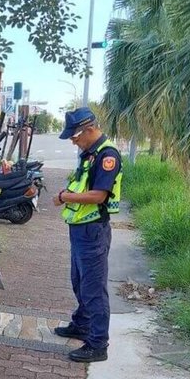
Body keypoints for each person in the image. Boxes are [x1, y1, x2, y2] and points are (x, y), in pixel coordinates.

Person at [52, 107, 122, 363]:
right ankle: (81, 323)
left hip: (93, 230)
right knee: (79, 280)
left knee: (93, 288)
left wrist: (64, 197)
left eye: (75, 135)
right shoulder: (89, 154)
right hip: (80, 228)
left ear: (90, 129)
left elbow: (98, 195)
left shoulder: (107, 155)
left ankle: (97, 344)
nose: (73, 140)